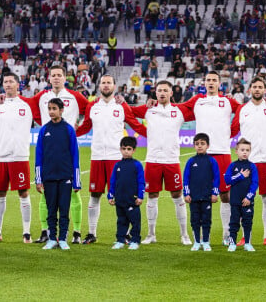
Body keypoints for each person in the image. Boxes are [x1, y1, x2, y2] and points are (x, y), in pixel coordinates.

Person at [75, 75, 147, 244]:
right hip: (97, 156)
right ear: (99, 86)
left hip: (117, 158)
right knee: (95, 194)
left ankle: (127, 233)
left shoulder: (122, 106)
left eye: (109, 83)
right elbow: (85, 126)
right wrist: (70, 133)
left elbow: (135, 125)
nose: (106, 85)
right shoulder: (92, 106)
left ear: (115, 86)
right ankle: (92, 232)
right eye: (103, 83)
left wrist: (152, 134)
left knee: (124, 196)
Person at [29, 65, 89, 244]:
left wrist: (80, 128)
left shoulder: (75, 96)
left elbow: (92, 110)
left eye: (59, 75)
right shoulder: (42, 96)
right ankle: (45, 231)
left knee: (73, 194)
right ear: (49, 78)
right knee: (46, 195)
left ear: (65, 78)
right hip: (49, 146)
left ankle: (76, 231)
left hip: (67, 148)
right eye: (53, 75)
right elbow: (27, 106)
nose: (56, 78)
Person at [180, 71, 240, 245]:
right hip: (202, 154)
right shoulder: (197, 100)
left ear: (220, 83)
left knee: (225, 195)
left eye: (214, 80)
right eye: (208, 80)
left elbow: (244, 111)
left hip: (222, 152)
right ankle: (199, 236)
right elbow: (179, 109)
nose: (211, 82)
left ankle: (228, 234)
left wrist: (232, 131)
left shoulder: (227, 101)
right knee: (199, 195)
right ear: (204, 83)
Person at [132, 80, 194, 245]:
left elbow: (200, 110)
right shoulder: (149, 110)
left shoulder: (179, 111)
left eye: (165, 90)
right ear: (155, 93)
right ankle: (151, 234)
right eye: (159, 90)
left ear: (171, 93)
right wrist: (120, 102)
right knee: (152, 195)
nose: (162, 93)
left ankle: (184, 235)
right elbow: (129, 111)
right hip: (153, 160)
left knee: (177, 195)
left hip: (172, 160)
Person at [0, 73, 39, 243]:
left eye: (11, 81)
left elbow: (43, 112)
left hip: (20, 156)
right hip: (1, 156)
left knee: (23, 192)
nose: (8, 84)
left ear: (18, 84)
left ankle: (26, 232)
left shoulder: (28, 104)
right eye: (5, 82)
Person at [231, 77, 266, 247]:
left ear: (265, 90)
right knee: (244, 199)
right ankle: (245, 236)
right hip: (247, 162)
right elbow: (232, 130)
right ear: (249, 89)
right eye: (255, 87)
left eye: (260, 87)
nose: (257, 89)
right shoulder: (242, 109)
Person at [35, 98, 80, 250]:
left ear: (61, 110)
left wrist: (77, 180)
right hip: (48, 177)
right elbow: (38, 155)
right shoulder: (44, 130)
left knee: (64, 209)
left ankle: (63, 239)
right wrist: (38, 179)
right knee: (51, 209)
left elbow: (75, 155)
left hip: (65, 176)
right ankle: (52, 238)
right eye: (49, 108)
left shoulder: (68, 129)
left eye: (54, 108)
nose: (51, 111)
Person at [183, 133, 220, 252]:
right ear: (194, 146)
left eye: (202, 144)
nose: (199, 146)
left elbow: (217, 178)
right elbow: (186, 179)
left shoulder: (212, 161)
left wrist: (214, 193)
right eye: (197, 144)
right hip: (193, 197)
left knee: (206, 220)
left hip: (206, 197)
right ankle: (197, 242)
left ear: (207, 146)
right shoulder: (190, 161)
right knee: (194, 219)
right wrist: (186, 194)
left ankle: (206, 241)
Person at [108, 136, 145, 250]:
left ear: (134, 150)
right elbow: (113, 181)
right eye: (124, 149)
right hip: (120, 199)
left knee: (135, 222)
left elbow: (141, 181)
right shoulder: (117, 165)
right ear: (120, 149)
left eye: (129, 149)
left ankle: (135, 240)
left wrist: (140, 196)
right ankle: (120, 240)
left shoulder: (137, 165)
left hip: (132, 200)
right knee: (121, 221)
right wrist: (110, 195)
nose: (126, 151)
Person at [224, 138, 259, 252]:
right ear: (236, 151)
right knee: (234, 222)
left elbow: (255, 183)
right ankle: (232, 243)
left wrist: (249, 197)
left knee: (247, 222)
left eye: (247, 150)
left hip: (247, 201)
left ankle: (247, 243)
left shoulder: (252, 166)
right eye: (242, 150)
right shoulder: (233, 166)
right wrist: (240, 175)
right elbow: (227, 180)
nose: (245, 152)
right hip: (235, 200)